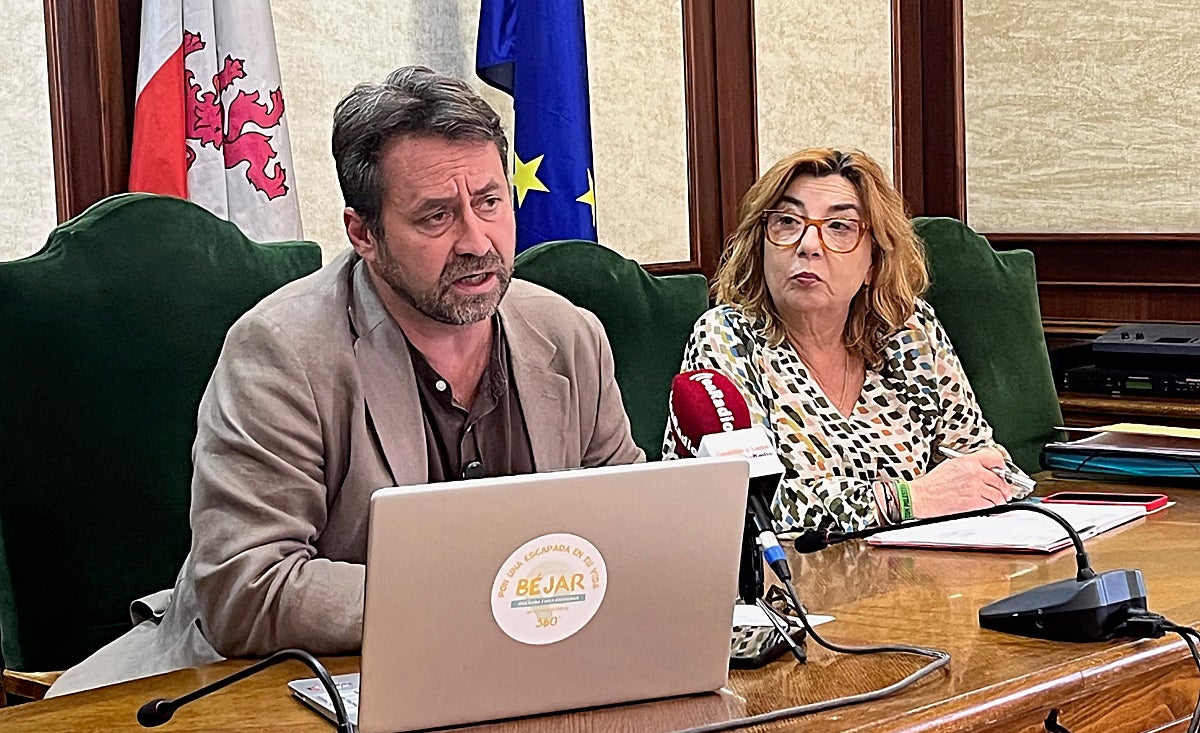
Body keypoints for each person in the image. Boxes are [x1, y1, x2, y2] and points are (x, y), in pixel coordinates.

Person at [48, 66, 642, 696]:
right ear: (363, 233)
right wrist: (479, 595)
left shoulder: (570, 334)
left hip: (508, 677)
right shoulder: (281, 352)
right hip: (264, 695)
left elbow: (632, 520)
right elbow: (250, 588)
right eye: (436, 217)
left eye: (490, 201)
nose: (477, 241)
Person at [663, 147, 1028, 533]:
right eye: (787, 221)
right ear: (761, 245)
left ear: (874, 260)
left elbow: (981, 460)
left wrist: (982, 482)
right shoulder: (728, 337)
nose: (808, 244)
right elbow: (744, 500)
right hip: (788, 582)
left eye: (839, 226)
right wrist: (908, 499)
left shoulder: (908, 331)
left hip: (922, 572)